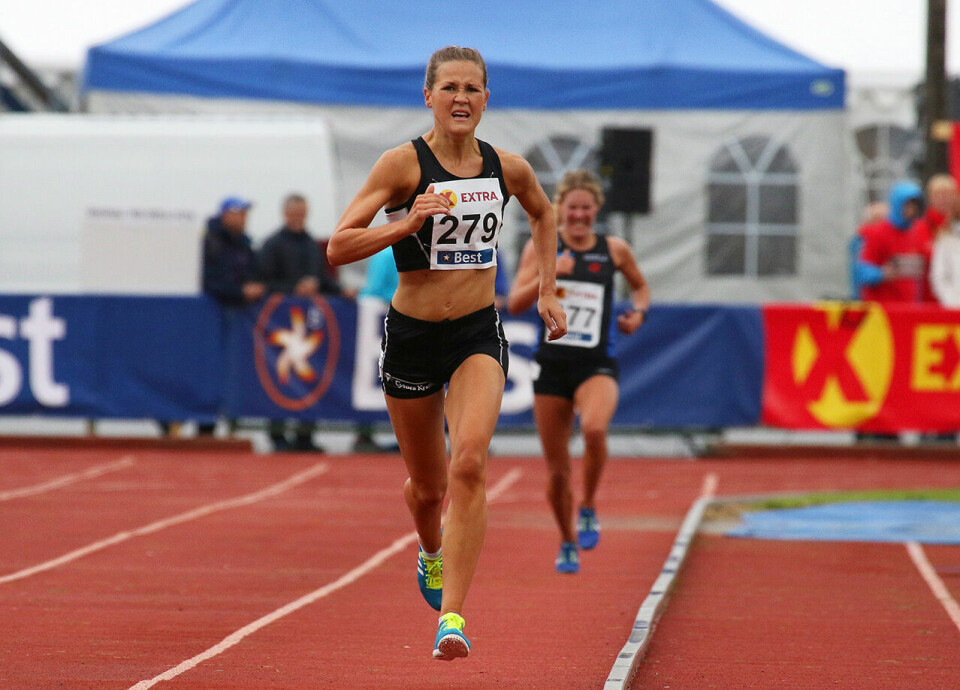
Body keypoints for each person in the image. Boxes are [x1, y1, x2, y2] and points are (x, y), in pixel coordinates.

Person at [326, 46, 566, 661]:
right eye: (450, 87)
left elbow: (545, 213)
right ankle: (430, 551)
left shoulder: (507, 169)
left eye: (474, 88)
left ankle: (452, 618)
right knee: (427, 490)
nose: (462, 98)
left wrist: (547, 293)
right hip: (412, 336)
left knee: (470, 465)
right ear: (427, 95)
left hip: (475, 336)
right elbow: (339, 246)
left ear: (488, 98)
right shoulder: (402, 164)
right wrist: (405, 225)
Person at [507, 169, 650, 574]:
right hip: (551, 366)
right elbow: (515, 303)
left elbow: (641, 287)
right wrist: (550, 274)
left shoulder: (615, 249)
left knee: (594, 430)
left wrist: (638, 313)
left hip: (595, 363)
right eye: (573, 208)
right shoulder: (541, 247)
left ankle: (587, 506)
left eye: (587, 208)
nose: (580, 216)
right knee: (556, 473)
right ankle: (567, 540)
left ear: (596, 210)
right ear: (560, 209)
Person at [258, 193, 353, 452]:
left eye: (303, 213)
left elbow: (322, 278)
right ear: (285, 213)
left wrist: (338, 290)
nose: (299, 218)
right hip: (280, 327)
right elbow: (263, 282)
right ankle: (276, 434)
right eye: (295, 213)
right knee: (280, 374)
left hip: (311, 326)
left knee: (310, 376)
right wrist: (293, 288)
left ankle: (304, 435)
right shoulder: (272, 244)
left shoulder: (312, 243)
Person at [198, 196, 266, 436]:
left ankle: (229, 423)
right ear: (226, 214)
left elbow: (256, 273)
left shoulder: (245, 244)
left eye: (246, 213)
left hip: (238, 321)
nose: (244, 218)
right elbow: (208, 281)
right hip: (210, 320)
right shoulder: (210, 242)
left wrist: (255, 288)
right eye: (240, 213)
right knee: (207, 371)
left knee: (234, 371)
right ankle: (204, 425)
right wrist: (240, 292)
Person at [352, 246, 400, 453]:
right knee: (371, 376)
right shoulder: (386, 255)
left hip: (407, 327)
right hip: (383, 329)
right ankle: (364, 434)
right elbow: (373, 291)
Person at [856, 181, 925, 303]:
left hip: (910, 308)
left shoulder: (918, 232)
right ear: (897, 205)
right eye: (907, 206)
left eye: (915, 206)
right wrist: (882, 274)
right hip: (882, 310)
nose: (911, 210)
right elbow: (860, 272)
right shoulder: (877, 232)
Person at [911, 174, 957, 304]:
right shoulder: (922, 226)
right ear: (930, 198)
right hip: (930, 297)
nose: (944, 199)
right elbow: (924, 253)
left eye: (948, 194)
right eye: (939, 195)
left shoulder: (955, 224)